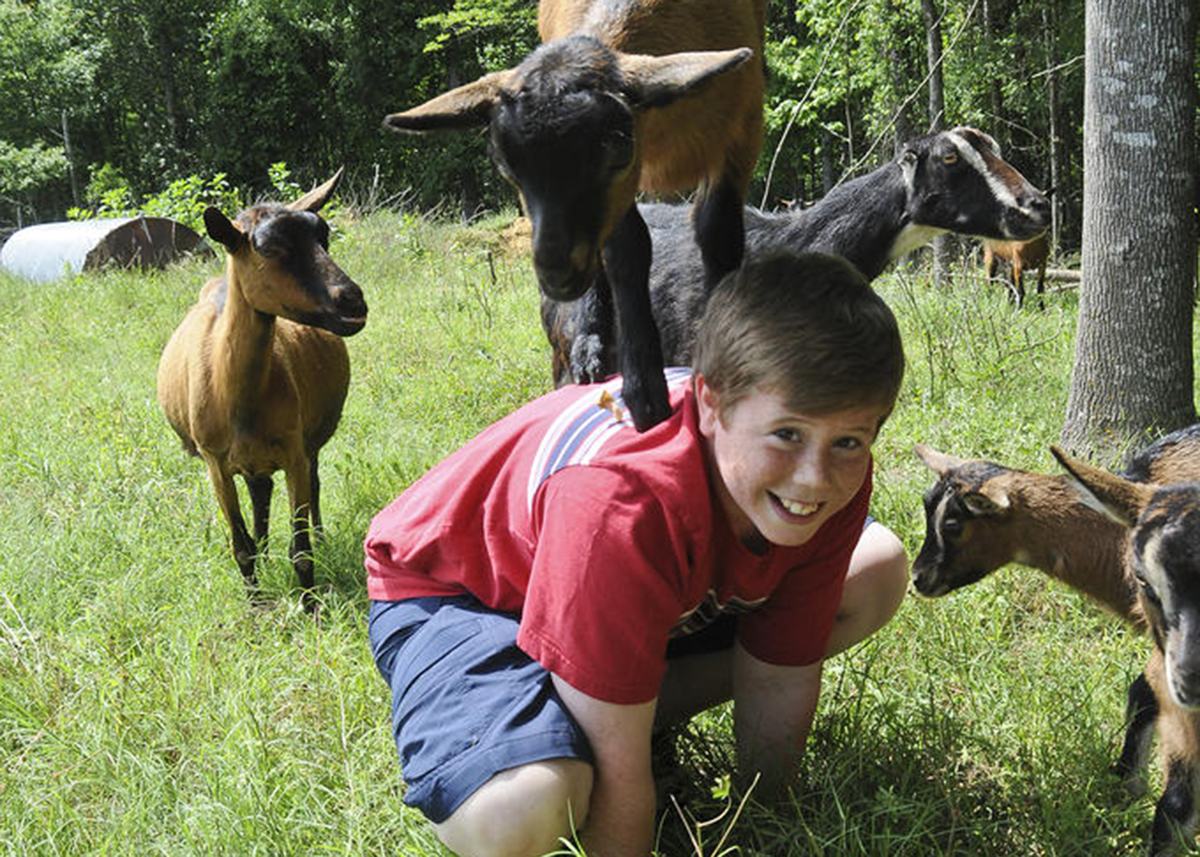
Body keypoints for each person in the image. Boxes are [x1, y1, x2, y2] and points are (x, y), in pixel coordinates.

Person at [365, 252, 909, 857]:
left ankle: (605, 703)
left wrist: (770, 828)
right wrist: (614, 771)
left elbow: (783, 670)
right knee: (524, 809)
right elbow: (623, 790)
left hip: (608, 590)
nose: (814, 478)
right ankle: (548, 729)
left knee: (878, 567)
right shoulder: (620, 505)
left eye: (849, 440)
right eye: (787, 433)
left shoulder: (832, 485)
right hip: (466, 595)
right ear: (710, 404)